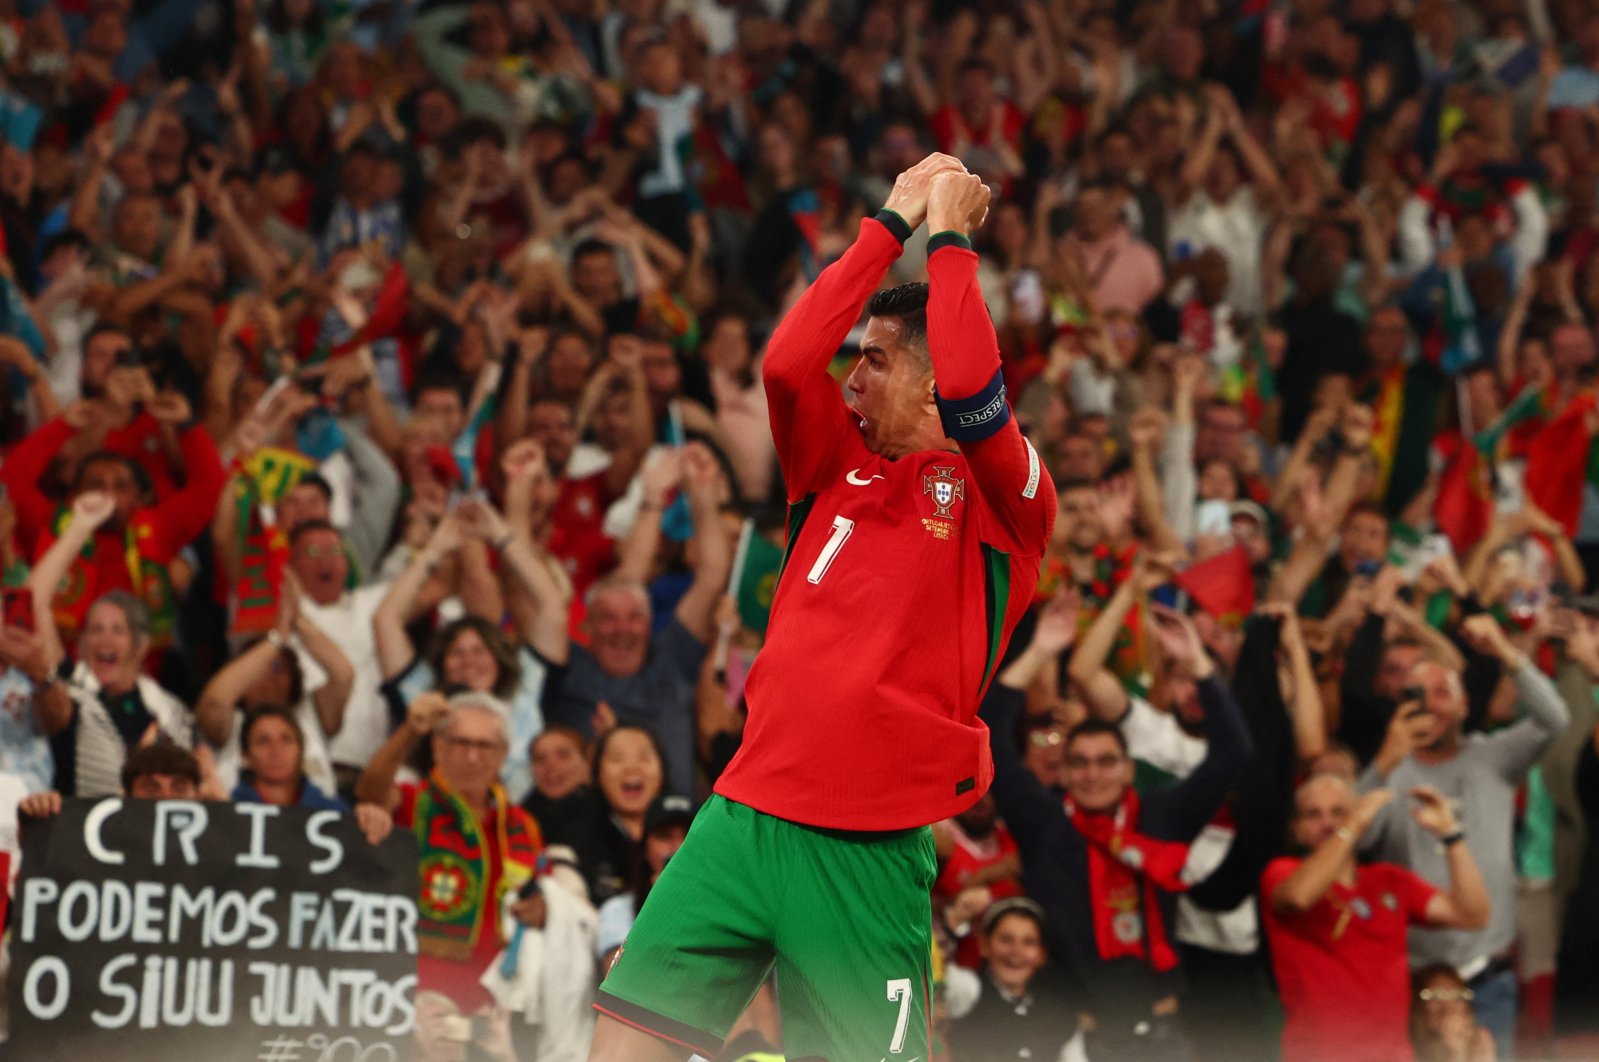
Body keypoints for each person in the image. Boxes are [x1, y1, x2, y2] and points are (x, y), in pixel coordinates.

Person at [589, 156, 1054, 1061]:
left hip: (867, 849)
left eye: (874, 363)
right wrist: (887, 224)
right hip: (742, 815)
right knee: (617, 1048)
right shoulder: (828, 466)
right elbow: (786, 358)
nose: (849, 382)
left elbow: (971, 389)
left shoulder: (1007, 501)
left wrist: (950, 241)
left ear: (925, 382)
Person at [981, 596, 1251, 1061]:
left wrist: (1196, 661)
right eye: (1079, 764)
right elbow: (990, 737)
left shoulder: (1160, 819)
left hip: (1164, 1034)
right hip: (1075, 1036)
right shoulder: (1044, 823)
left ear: (1129, 769)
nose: (1093, 774)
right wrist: (1040, 651)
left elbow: (1233, 754)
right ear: (1062, 773)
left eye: (1107, 762)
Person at [1359, 614, 1569, 1054]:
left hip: (1486, 975)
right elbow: (1355, 839)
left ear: (1464, 705)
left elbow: (1555, 718)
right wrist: (1384, 760)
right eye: (1417, 694)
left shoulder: (1493, 757)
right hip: (1416, 980)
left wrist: (1506, 652)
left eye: (1442, 693)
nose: (1431, 705)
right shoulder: (1388, 769)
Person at [356, 690, 546, 1062]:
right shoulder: (415, 802)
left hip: (496, 1005)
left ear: (503, 754)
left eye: (485, 745)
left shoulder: (521, 825)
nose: (473, 756)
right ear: (438, 747)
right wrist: (410, 730)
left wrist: (545, 909)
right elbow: (370, 791)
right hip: (419, 997)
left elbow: (545, 893)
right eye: (461, 743)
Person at [1261, 773, 1491, 1062]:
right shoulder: (1282, 874)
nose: (1329, 823)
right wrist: (1352, 825)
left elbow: (1472, 915)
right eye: (1313, 814)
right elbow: (1299, 897)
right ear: (1297, 830)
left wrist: (1451, 835)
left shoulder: (1389, 880)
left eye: (1338, 812)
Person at [24, 492, 192, 797]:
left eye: (117, 630)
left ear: (140, 645)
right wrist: (80, 527)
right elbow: (33, 603)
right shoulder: (65, 688)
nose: (104, 639)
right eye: (95, 630)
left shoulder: (169, 711)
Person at [943, 897, 1081, 1062]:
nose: (1016, 952)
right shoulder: (966, 991)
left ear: (1042, 954)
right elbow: (932, 972)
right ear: (984, 945)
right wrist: (953, 921)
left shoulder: (1061, 1015)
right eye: (1006, 939)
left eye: (1029, 942)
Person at [1411, 965, 1499, 1062]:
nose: (1447, 1007)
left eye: (1457, 995)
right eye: (1435, 995)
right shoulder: (1406, 1048)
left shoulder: (1481, 1042)